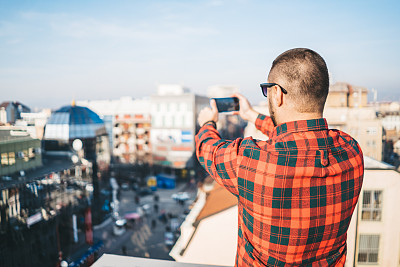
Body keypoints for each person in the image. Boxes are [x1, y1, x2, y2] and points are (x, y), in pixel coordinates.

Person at [195, 48, 364, 266]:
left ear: (277, 94)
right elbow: (298, 135)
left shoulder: (251, 162)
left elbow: (208, 149)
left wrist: (208, 123)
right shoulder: (351, 152)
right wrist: (252, 116)